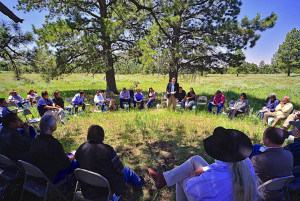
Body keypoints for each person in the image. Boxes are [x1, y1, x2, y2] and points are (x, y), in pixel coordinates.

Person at [148, 127, 258, 201]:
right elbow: (222, 168)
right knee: (195, 159)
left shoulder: (211, 180)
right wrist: (203, 169)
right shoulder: (245, 163)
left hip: (211, 189)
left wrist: (194, 176)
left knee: (182, 177)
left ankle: (164, 180)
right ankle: (163, 179)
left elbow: (190, 187)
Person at [75, 125, 144, 199]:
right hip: (106, 193)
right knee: (127, 170)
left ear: (87, 136)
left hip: (87, 191)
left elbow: (78, 163)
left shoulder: (81, 148)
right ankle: (139, 183)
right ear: (102, 137)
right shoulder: (108, 150)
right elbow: (121, 170)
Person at [30, 115, 79, 184]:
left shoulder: (35, 138)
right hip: (48, 178)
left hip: (35, 175)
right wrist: (72, 157)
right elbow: (65, 164)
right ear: (52, 127)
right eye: (55, 122)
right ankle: (70, 186)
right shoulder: (53, 143)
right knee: (77, 163)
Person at [251, 127, 293, 200]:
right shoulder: (289, 154)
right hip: (279, 191)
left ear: (268, 141)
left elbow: (250, 180)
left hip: (261, 193)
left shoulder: (257, 159)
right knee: (257, 147)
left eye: (263, 137)